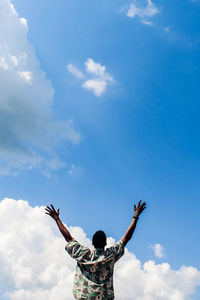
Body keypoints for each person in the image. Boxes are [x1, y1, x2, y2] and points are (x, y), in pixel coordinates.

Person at [45, 200, 146, 300]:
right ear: (105, 243)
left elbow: (68, 238)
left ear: (92, 243)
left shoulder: (84, 255)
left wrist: (57, 219)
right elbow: (126, 238)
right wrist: (135, 216)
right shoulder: (110, 256)